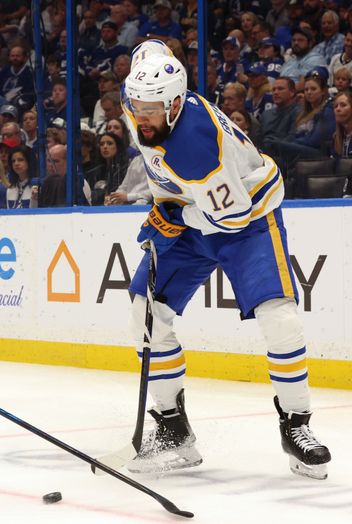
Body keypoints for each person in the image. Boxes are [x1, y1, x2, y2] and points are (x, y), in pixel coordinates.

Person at [121, 54, 331, 478]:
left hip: (246, 218)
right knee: (146, 309)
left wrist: (173, 218)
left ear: (176, 104)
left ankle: (296, 426)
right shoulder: (143, 104)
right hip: (190, 208)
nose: (141, 118)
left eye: (151, 111)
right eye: (136, 107)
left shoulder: (198, 146)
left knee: (280, 317)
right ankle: (173, 432)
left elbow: (229, 218)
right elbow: (152, 54)